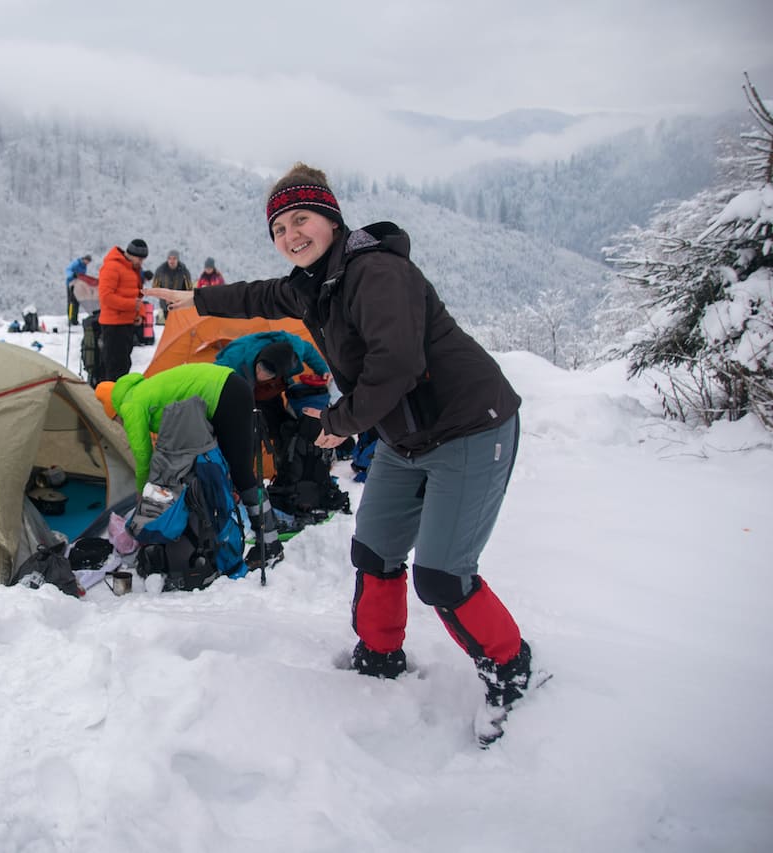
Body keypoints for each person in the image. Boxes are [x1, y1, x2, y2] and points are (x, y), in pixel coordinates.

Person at [147, 162, 531, 742]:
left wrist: (338, 423)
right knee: (374, 549)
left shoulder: (376, 272)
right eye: (278, 229)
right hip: (406, 436)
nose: (290, 236)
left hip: (470, 427)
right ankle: (379, 657)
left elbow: (395, 366)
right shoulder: (311, 284)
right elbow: (255, 295)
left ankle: (511, 669)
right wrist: (195, 304)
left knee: (443, 577)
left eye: (300, 220)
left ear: (329, 217)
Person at [94, 362, 281, 568]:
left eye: (116, 421)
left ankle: (270, 545)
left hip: (226, 394)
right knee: (230, 469)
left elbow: (142, 454)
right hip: (230, 386)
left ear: (115, 412)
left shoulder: (130, 405)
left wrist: (142, 490)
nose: (120, 425)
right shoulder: (143, 390)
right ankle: (258, 539)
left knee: (243, 474)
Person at [214, 330, 331, 454]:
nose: (261, 374)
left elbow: (307, 350)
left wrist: (322, 370)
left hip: (268, 391)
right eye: (260, 368)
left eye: (267, 373)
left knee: (279, 423)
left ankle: (288, 455)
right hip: (242, 390)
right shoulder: (233, 362)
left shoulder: (292, 352)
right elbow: (213, 381)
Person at [96, 238, 148, 382]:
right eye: (139, 258)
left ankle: (117, 396)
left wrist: (140, 314)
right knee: (114, 367)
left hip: (127, 324)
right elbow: (106, 297)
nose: (141, 262)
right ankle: (110, 398)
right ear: (130, 254)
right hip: (113, 325)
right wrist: (132, 305)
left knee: (124, 365)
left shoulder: (133, 270)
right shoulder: (112, 267)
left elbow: (138, 294)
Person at [151, 249, 192, 317]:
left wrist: (179, 298)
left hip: (179, 305)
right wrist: (165, 297)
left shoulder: (184, 271)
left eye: (174, 258)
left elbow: (189, 289)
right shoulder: (160, 270)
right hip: (165, 305)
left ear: (177, 259)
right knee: (169, 324)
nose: (171, 261)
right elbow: (155, 287)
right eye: (169, 258)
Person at [65, 253, 93, 326]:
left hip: (78, 285)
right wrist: (72, 275)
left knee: (77, 302)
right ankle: (70, 318)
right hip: (71, 284)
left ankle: (75, 319)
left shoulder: (84, 266)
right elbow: (68, 270)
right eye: (87, 261)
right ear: (84, 259)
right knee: (71, 302)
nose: (87, 263)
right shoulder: (76, 263)